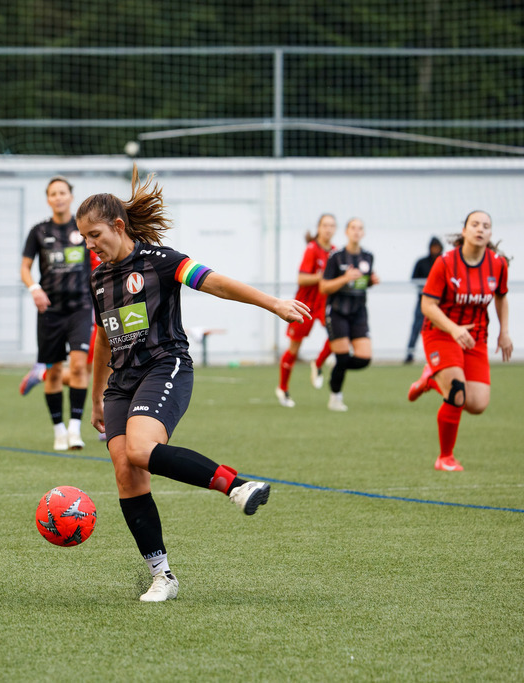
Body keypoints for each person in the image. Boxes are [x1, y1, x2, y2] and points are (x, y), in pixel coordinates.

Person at [77, 168, 309, 603]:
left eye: (95, 235)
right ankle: (162, 575)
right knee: (127, 474)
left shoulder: (161, 262)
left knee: (140, 451)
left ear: (118, 226)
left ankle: (236, 485)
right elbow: (103, 341)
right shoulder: (97, 278)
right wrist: (95, 400)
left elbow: (216, 282)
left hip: (165, 367)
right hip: (120, 386)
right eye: (85, 238)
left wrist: (273, 303)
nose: (90, 245)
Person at [407, 211, 511, 471]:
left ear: (490, 234)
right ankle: (445, 458)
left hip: (475, 336)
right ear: (463, 231)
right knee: (457, 392)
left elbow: (501, 296)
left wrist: (504, 331)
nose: (480, 229)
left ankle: (430, 379)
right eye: (474, 224)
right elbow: (427, 305)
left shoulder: (498, 264)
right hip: (441, 332)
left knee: (477, 404)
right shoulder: (445, 262)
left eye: (486, 226)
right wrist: (453, 329)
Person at [20, 176, 92, 451]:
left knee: (78, 366)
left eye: (63, 192)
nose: (58, 197)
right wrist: (35, 289)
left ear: (71, 196)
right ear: (48, 199)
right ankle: (59, 430)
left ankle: (75, 428)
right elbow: (25, 268)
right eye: (53, 193)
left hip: (81, 306)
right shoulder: (39, 231)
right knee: (52, 372)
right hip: (50, 310)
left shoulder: (83, 227)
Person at [275, 213, 337, 407]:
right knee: (294, 347)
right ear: (318, 228)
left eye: (331, 226)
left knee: (338, 336)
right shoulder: (312, 249)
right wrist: (323, 277)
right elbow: (301, 279)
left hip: (324, 303)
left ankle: (317, 364)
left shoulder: (335, 252)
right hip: (305, 304)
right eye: (325, 225)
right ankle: (283, 389)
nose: (328, 229)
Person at [319, 217, 380, 412]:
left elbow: (363, 283)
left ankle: (336, 363)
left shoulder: (368, 256)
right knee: (344, 356)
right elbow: (324, 287)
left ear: (363, 233)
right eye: (353, 228)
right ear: (346, 232)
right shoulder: (336, 257)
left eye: (360, 228)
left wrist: (371, 281)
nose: (356, 231)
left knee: (364, 359)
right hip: (338, 311)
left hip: (359, 311)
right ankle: (335, 397)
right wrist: (344, 278)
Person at [405, 237, 445, 364]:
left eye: (437, 247)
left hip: (441, 303)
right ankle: (410, 354)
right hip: (423, 301)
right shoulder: (421, 262)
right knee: (417, 327)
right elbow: (414, 279)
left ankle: (442, 355)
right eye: (433, 247)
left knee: (443, 327)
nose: (435, 250)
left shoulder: (444, 262)